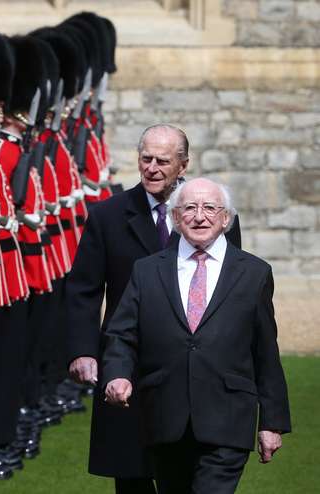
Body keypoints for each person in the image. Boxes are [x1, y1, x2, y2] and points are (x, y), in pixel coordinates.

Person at [64, 124, 241, 494]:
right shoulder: (107, 216)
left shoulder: (212, 218)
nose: (153, 168)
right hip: (125, 362)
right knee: (132, 476)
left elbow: (231, 290)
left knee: (191, 476)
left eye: (163, 161)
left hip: (189, 369)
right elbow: (83, 289)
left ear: (183, 164)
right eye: (146, 159)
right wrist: (83, 351)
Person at [102, 177, 291, 494]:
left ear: (226, 218)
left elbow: (265, 351)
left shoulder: (254, 273)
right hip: (164, 416)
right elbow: (121, 332)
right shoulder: (147, 270)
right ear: (175, 218)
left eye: (210, 208)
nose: (199, 216)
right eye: (189, 207)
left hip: (228, 418)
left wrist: (272, 421)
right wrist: (118, 374)